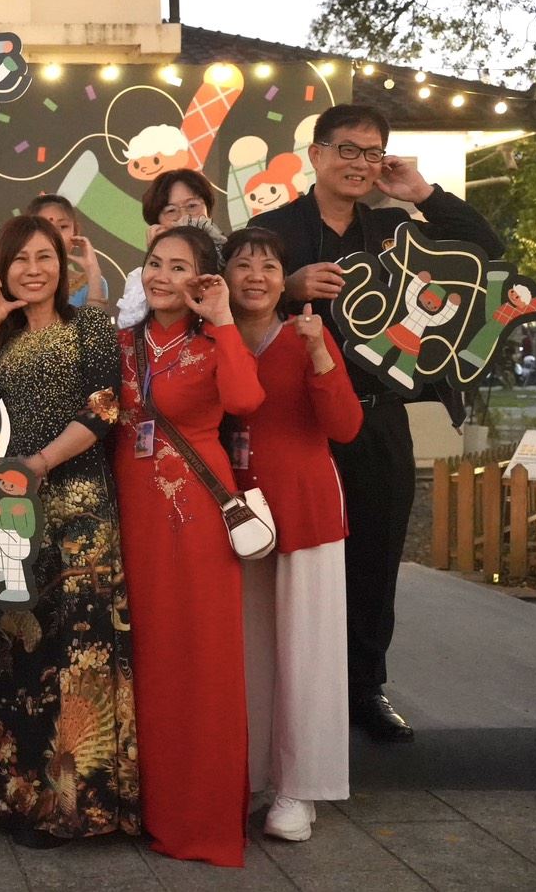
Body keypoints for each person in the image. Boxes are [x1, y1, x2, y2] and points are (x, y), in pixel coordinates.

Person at [254, 104, 503, 742]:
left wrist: (421, 192)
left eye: (372, 153)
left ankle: (365, 688)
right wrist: (287, 287)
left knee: (376, 557)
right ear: (316, 154)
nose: (360, 164)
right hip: (299, 424)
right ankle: (287, 688)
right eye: (347, 149)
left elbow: (486, 249)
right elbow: (231, 298)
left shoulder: (395, 226)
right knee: (292, 560)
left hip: (379, 415)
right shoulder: (273, 230)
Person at [0, 216, 138, 849]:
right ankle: (22, 799)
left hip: (80, 510)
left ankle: (80, 806)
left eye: (46, 257)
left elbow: (105, 407)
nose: (33, 269)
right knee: (18, 647)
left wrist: (39, 463)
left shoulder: (90, 324)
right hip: (13, 512)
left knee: (80, 650)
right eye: (21, 259)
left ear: (63, 267)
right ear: (3, 268)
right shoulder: (2, 335)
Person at [113, 225, 265, 868]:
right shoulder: (121, 342)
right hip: (129, 515)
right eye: (154, 263)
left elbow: (246, 399)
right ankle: (146, 808)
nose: (161, 276)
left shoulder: (213, 343)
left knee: (198, 661)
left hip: (194, 517)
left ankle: (200, 821)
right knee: (145, 659)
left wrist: (224, 319)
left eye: (179, 267)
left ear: (203, 279)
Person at [222, 227, 363, 843]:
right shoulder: (213, 338)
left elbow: (346, 427)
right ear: (223, 277)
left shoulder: (307, 335)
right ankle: (251, 775)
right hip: (235, 516)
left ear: (286, 280)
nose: (255, 277)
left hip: (305, 512)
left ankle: (299, 789)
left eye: (269, 267)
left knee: (307, 653)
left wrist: (320, 354)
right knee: (248, 653)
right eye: (242, 265)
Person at [115, 168, 222, 329]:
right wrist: (158, 254)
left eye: (192, 206)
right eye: (171, 210)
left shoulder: (233, 260)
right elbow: (133, 332)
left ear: (208, 211)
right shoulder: (141, 279)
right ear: (156, 223)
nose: (184, 217)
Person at [26, 193, 107, 308]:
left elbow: (94, 320)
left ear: (76, 232)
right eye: (45, 226)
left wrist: (94, 273)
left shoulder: (92, 283)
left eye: (62, 227)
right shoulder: (18, 280)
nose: (54, 234)